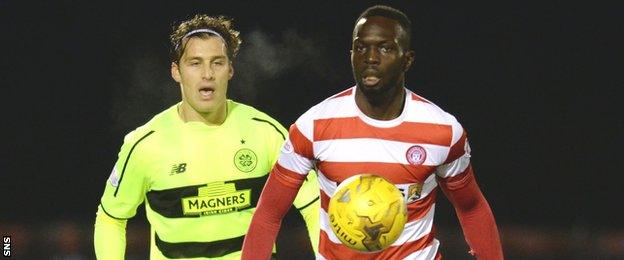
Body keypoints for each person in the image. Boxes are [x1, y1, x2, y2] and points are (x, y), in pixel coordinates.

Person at [242, 5, 503, 260]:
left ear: (407, 59)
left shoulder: (442, 131)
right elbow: (269, 212)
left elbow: (471, 207)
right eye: (361, 47)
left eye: (385, 48)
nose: (371, 57)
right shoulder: (314, 126)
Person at [93, 14, 320, 259]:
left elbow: (315, 205)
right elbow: (111, 219)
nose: (207, 74)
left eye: (217, 62)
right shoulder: (145, 144)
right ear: (176, 71)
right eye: (195, 63)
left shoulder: (266, 132)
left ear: (230, 69)